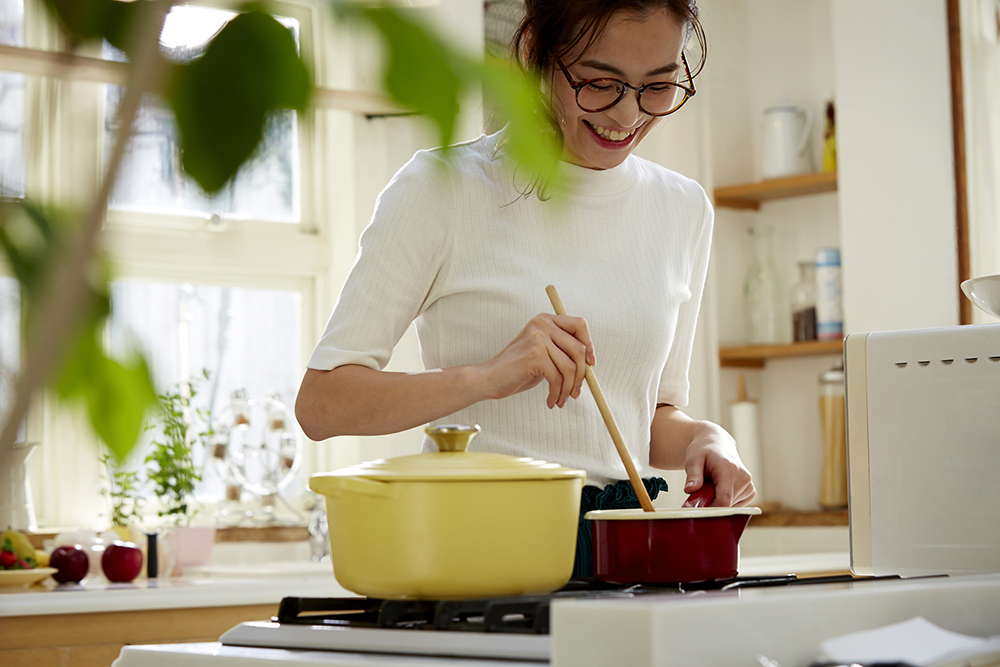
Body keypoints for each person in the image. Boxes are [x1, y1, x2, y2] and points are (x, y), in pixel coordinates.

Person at [296, 0, 756, 576]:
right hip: (480, 539)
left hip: (621, 548)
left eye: (658, 87)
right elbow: (322, 405)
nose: (627, 114)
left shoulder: (683, 208)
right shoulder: (442, 188)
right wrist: (484, 377)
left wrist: (706, 441)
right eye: (599, 83)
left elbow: (648, 415)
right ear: (539, 57)